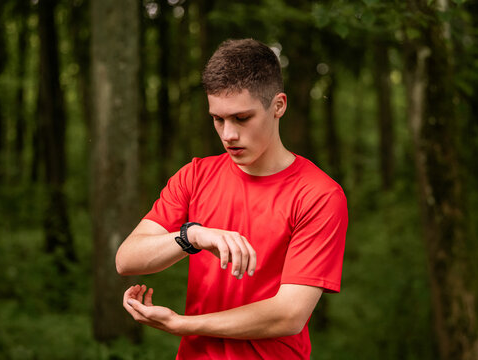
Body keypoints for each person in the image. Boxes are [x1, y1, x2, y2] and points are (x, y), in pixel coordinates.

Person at [115, 38, 348, 359]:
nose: (228, 134)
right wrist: (192, 235)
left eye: (242, 118)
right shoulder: (195, 176)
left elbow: (289, 315)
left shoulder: (318, 194)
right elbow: (127, 259)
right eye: (218, 119)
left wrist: (185, 324)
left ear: (278, 105)